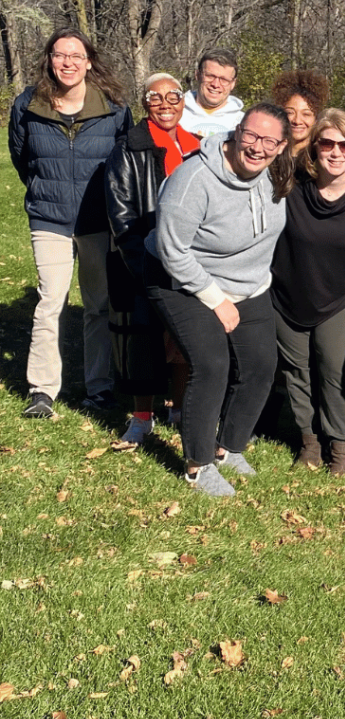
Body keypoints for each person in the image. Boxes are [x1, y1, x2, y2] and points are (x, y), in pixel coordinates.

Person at [146, 103, 290, 496]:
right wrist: (214, 298)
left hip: (249, 283)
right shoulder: (195, 178)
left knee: (261, 365)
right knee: (211, 364)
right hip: (182, 278)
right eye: (251, 135)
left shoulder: (277, 169)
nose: (258, 147)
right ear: (236, 131)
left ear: (281, 146)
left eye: (269, 141)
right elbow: (171, 249)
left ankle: (230, 447)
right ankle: (199, 464)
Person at [10, 27, 132, 418]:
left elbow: (124, 160)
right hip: (50, 218)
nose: (68, 63)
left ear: (88, 62)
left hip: (98, 221)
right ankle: (42, 391)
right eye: (60, 55)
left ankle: (99, 387)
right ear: (49, 59)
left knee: (98, 305)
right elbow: (21, 156)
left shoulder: (113, 107)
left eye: (76, 56)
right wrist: (46, 190)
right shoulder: (28, 105)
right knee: (50, 302)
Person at [271, 109, 345, 476]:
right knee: (296, 369)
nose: (336, 152)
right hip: (287, 294)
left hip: (342, 297)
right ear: (315, 147)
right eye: (327, 143)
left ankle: (340, 445)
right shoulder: (290, 187)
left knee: (335, 371)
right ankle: (309, 440)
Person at [105, 73, 199, 442]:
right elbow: (121, 215)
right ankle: (142, 417)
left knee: (183, 340)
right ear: (145, 103)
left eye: (173, 96)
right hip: (143, 260)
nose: (165, 104)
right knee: (143, 341)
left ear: (183, 102)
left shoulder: (198, 146)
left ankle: (178, 410)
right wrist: (143, 264)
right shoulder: (128, 148)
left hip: (190, 261)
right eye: (155, 98)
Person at [179, 48, 244, 138]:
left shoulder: (243, 123)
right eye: (210, 76)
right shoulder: (176, 113)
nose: (215, 84)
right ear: (197, 75)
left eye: (224, 79)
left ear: (233, 83)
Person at [271, 70, 331, 163]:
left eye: (306, 114)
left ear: (316, 119)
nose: (297, 121)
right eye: (290, 113)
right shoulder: (268, 157)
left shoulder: (323, 161)